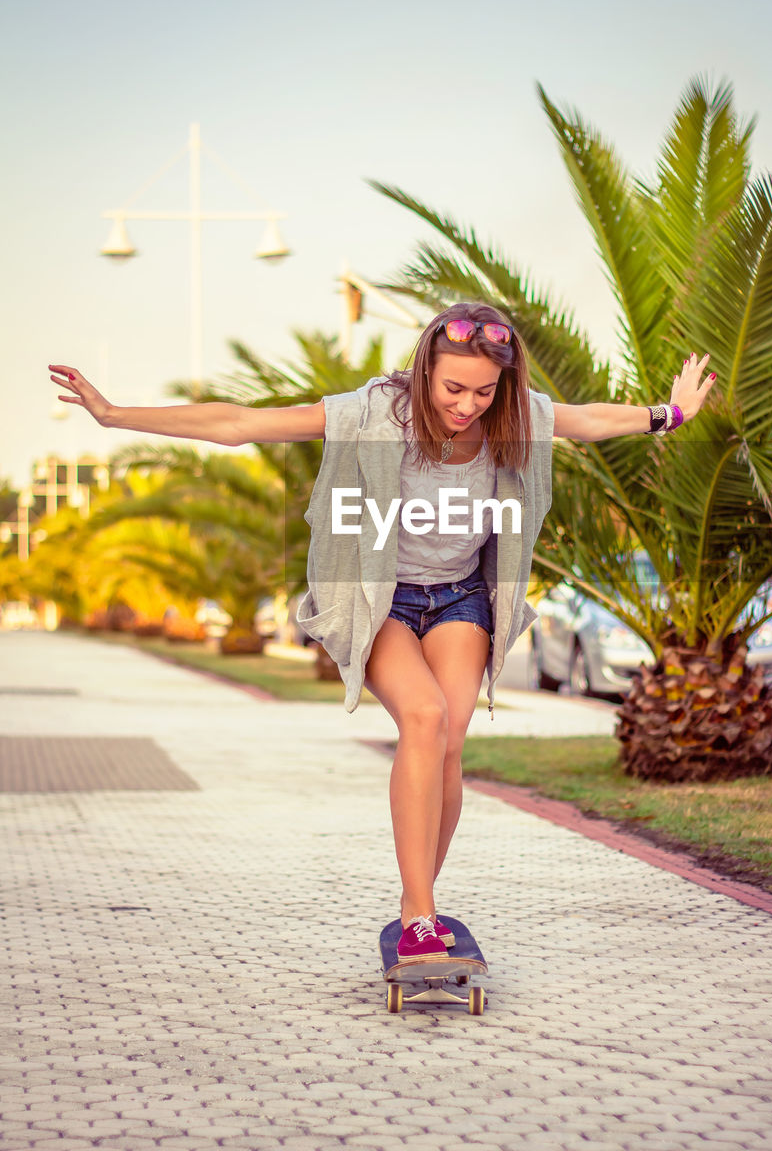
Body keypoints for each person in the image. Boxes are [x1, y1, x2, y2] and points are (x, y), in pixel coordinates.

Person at [48, 302, 715, 963]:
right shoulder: (375, 411)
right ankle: (421, 912)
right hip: (384, 600)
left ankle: (416, 902)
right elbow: (240, 424)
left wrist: (671, 413)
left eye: (484, 391)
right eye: (453, 388)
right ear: (425, 370)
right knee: (422, 717)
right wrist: (114, 413)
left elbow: (591, 420)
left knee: (449, 739)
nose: (467, 405)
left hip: (460, 598)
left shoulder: (515, 417)